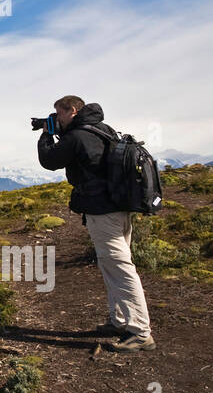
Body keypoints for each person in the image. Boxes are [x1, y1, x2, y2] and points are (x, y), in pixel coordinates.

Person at [36, 95, 155, 353]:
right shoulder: (103, 129)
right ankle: (120, 320)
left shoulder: (77, 136)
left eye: (59, 114)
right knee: (111, 264)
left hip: (103, 212)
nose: (57, 119)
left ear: (73, 110)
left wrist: (46, 134)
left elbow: (49, 160)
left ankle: (140, 331)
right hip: (119, 207)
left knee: (120, 267)